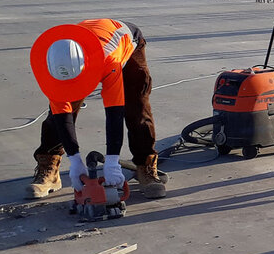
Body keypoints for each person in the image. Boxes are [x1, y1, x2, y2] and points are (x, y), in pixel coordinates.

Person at [27, 18, 168, 201]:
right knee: (57, 114)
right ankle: (50, 167)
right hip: (85, 44)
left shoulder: (109, 60)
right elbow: (62, 115)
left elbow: (114, 112)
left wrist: (111, 162)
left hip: (125, 41)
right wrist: (75, 161)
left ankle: (145, 166)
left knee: (136, 106)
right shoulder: (47, 66)